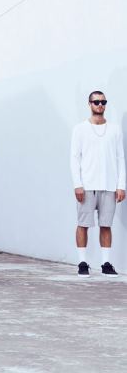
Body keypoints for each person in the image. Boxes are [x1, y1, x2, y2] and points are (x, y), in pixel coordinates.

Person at [70, 90, 125, 277]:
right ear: (89, 104)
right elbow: (74, 158)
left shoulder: (115, 129)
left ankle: (105, 263)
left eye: (103, 102)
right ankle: (82, 262)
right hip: (87, 185)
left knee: (106, 225)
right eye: (96, 102)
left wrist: (121, 185)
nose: (100, 105)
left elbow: (120, 158)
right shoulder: (80, 129)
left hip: (109, 185)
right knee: (83, 224)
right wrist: (77, 184)